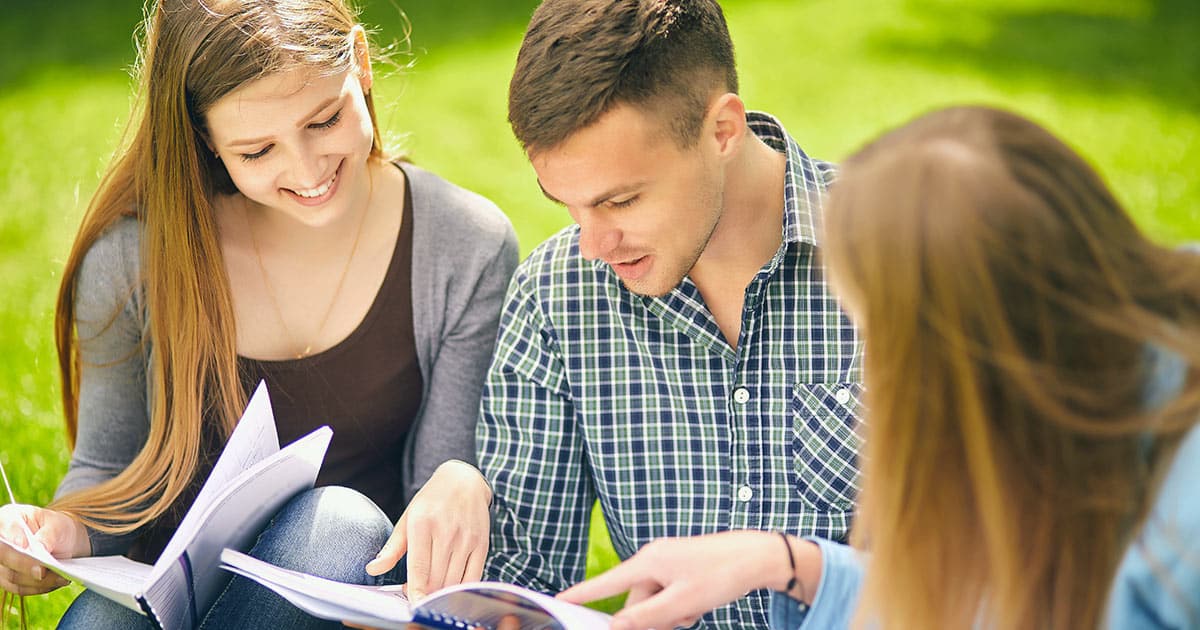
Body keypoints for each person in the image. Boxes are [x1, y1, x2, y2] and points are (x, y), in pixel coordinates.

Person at [557, 106, 1200, 630]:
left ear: (978, 345)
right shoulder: (1075, 402)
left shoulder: (1182, 515)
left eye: (882, 337)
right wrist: (786, 562)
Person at [0, 0, 517, 627]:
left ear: (360, 61)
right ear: (205, 141)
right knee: (100, 622)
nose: (307, 171)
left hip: (349, 598)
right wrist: (57, 533)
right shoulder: (134, 258)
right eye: (257, 152)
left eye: (324, 120)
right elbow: (109, 473)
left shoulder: (462, 246)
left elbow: (435, 501)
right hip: (167, 601)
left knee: (338, 525)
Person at [476, 0, 863, 626]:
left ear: (723, 132)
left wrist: (788, 563)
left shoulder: (916, 264)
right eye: (566, 205)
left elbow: (1010, 571)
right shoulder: (557, 295)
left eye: (621, 200)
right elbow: (524, 580)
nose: (593, 245)